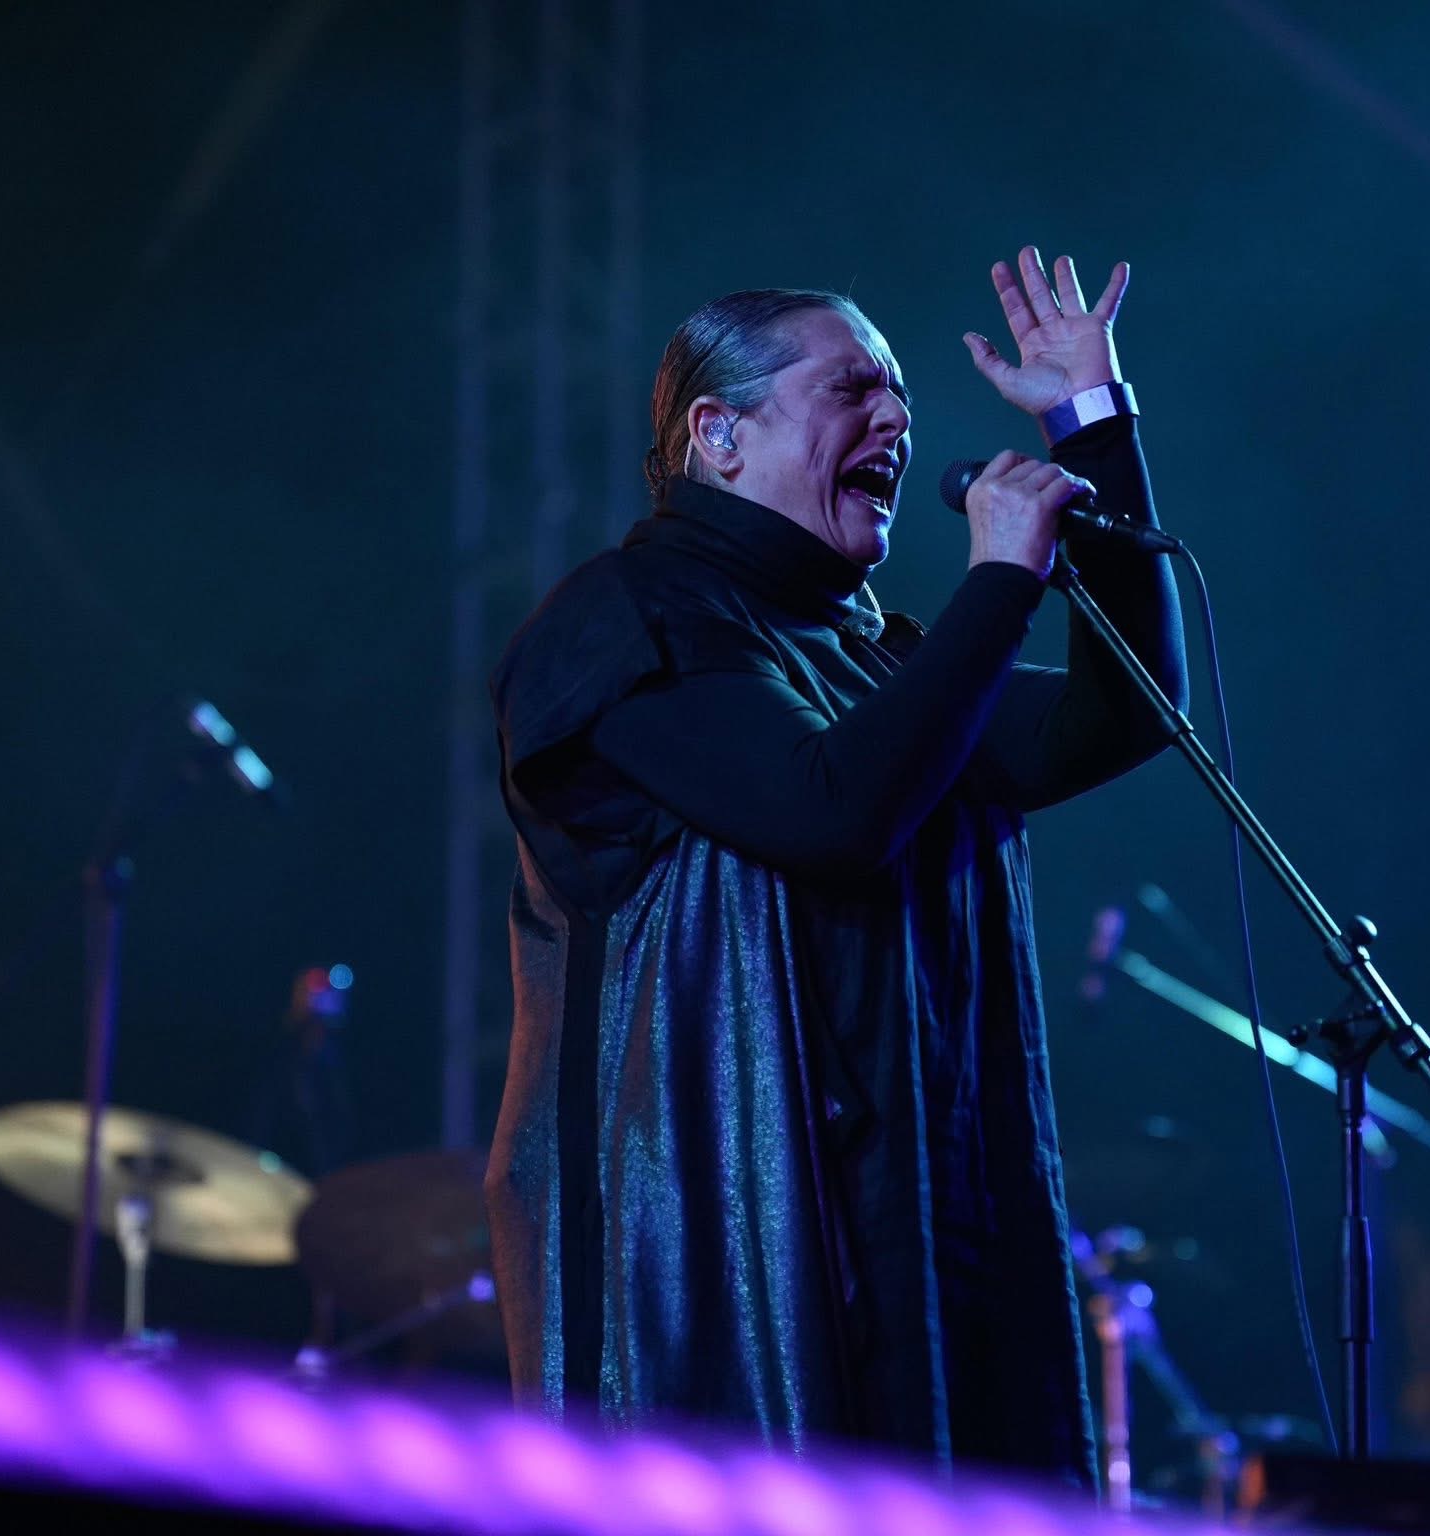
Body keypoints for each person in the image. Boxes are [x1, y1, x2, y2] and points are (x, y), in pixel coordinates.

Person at [484, 247, 1187, 1485]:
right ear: (718, 435)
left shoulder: (879, 664)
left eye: (902, 398)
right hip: (711, 1255)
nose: (896, 421)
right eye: (852, 390)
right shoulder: (628, 620)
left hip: (910, 1243)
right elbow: (828, 813)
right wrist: (998, 582)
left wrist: (1092, 425)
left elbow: (1123, 712)